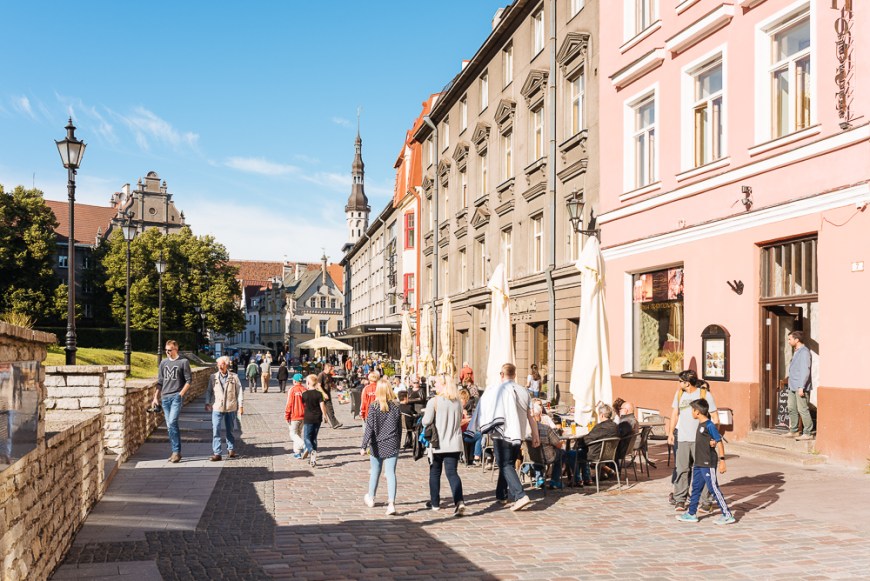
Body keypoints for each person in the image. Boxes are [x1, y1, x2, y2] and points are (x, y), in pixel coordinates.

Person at [476, 363, 540, 511]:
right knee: (508, 464)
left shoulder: (499, 390)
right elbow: (531, 416)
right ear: (515, 374)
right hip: (518, 434)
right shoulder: (524, 391)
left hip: (502, 433)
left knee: (505, 464)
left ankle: (520, 494)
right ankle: (502, 494)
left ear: (502, 375)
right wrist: (535, 434)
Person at [676, 399, 735, 525]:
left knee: (714, 488)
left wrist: (722, 461)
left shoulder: (709, 425)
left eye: (692, 410)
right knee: (696, 488)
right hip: (699, 462)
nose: (692, 412)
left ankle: (727, 515)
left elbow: (719, 441)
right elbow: (709, 441)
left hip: (708, 463)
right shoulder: (701, 424)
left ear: (697, 412)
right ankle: (691, 514)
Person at [668, 369, 719, 512]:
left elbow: (715, 418)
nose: (678, 384)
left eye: (680, 381)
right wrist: (671, 433)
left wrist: (713, 437)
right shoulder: (679, 395)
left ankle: (706, 502)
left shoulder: (705, 395)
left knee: (703, 471)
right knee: (681, 470)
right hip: (683, 438)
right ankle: (680, 500)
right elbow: (674, 414)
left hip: (701, 441)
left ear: (687, 382)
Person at [422, 375, 467, 516]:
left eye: (436, 383)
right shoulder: (458, 402)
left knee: (435, 472)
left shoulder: (434, 401)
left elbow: (426, 421)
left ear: (443, 385)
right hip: (454, 443)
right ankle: (459, 501)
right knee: (452, 473)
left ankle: (435, 503)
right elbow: (460, 420)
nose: (435, 386)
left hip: (437, 443)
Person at [361, 378, 402, 516]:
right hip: (392, 442)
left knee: (375, 472)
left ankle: (371, 497)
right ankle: (391, 503)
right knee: (390, 473)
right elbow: (399, 427)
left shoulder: (374, 406)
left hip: (377, 444)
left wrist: (363, 445)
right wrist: (398, 443)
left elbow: (369, 428)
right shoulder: (396, 406)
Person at [152, 340, 192, 463]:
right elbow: (160, 382)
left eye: (170, 350)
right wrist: (155, 397)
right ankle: (175, 452)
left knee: (172, 421)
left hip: (176, 396)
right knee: (169, 426)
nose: (167, 352)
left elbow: (189, 380)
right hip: (165, 397)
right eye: (166, 350)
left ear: (176, 349)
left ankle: (176, 452)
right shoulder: (163, 363)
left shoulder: (183, 362)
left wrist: (181, 394)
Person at [205, 356, 243, 461]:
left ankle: (231, 449)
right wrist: (207, 402)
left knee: (229, 430)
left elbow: (239, 392)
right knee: (215, 429)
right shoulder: (213, 377)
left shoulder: (234, 377)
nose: (220, 366)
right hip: (217, 407)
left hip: (230, 407)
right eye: (218, 364)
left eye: (222, 364)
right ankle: (217, 453)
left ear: (226, 365)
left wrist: (241, 405)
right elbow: (209, 391)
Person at [577, 404, 620, 484]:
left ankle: (578, 480)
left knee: (573, 453)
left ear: (602, 415)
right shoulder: (615, 426)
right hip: (610, 454)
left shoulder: (600, 427)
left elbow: (586, 440)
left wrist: (577, 443)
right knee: (580, 451)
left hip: (595, 454)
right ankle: (587, 477)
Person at [784, 330, 814, 440]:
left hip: (800, 386)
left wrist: (801, 386)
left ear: (797, 340)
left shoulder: (804, 352)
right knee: (791, 407)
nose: (788, 341)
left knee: (802, 409)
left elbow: (805, 370)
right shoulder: (796, 351)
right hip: (792, 385)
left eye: (790, 339)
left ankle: (808, 432)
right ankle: (794, 431)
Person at [531, 401, 566, 489]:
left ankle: (539, 479)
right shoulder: (545, 428)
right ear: (540, 414)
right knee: (562, 453)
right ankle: (554, 481)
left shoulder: (526, 429)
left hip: (531, 457)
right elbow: (558, 444)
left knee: (537, 453)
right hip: (547, 457)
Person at [301, 374, 328, 467]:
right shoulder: (319, 394)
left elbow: (302, 406)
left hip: (308, 418)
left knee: (306, 437)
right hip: (317, 418)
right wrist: (325, 415)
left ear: (308, 383)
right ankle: (313, 458)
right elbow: (322, 405)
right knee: (314, 437)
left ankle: (310, 450)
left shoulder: (304, 394)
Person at [284, 374, 306, 458]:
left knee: (293, 434)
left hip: (294, 415)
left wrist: (287, 415)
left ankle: (304, 445)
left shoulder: (292, 390)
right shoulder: (305, 389)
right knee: (298, 433)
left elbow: (289, 403)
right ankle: (297, 452)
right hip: (303, 415)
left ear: (295, 381)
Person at [317, 363, 343, 429]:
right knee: (323, 409)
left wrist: (337, 387)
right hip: (321, 395)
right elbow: (318, 386)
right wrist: (323, 393)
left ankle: (334, 423)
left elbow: (331, 384)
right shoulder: (321, 375)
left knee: (329, 409)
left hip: (328, 394)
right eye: (330, 368)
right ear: (327, 368)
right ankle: (334, 423)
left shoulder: (329, 375)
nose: (332, 369)